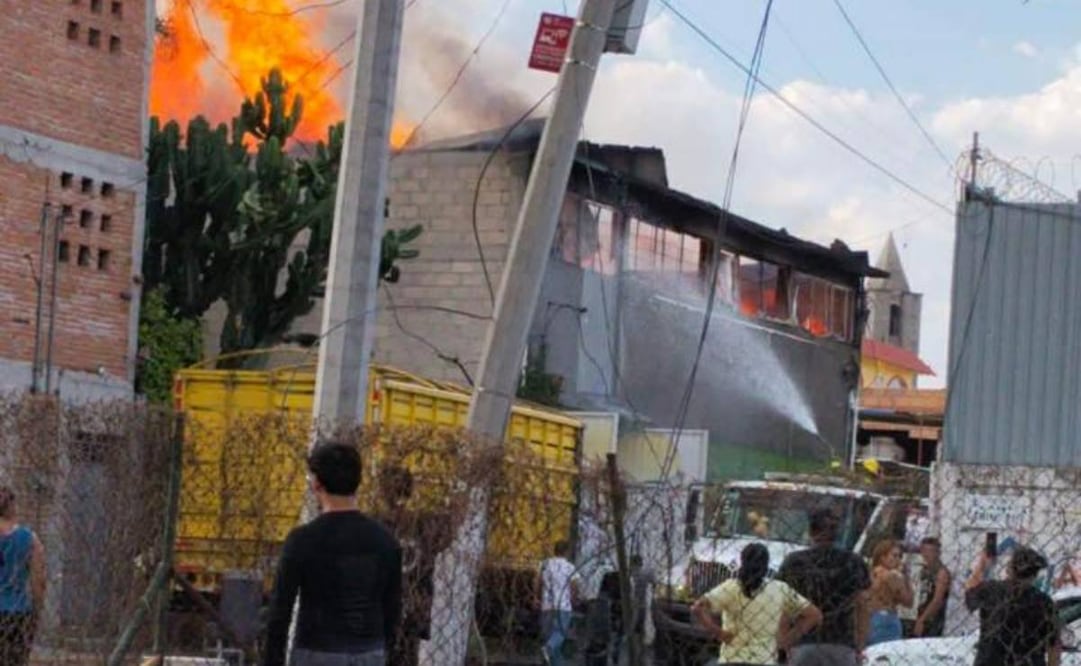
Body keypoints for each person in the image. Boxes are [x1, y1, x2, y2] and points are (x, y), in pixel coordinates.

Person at [263, 442, 402, 666]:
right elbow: (392, 608)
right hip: (369, 651)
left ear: (317, 484)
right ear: (358, 481)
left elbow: (280, 610)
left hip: (317, 650)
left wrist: (272, 659)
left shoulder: (303, 540)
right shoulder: (385, 541)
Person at [692, 543, 823, 665]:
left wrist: (719, 633)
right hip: (764, 660)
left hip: (732, 658)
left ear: (742, 562)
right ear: (766, 566)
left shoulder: (731, 587)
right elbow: (815, 615)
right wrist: (786, 640)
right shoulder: (780, 588)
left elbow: (697, 608)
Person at [374, 465, 453, 666]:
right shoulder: (423, 523)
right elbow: (451, 528)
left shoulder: (372, 523)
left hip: (381, 608)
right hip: (411, 606)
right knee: (405, 654)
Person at [776, 508, 871, 666]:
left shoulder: (794, 562)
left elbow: (785, 609)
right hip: (841, 643)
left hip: (803, 642)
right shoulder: (853, 562)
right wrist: (860, 647)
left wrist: (782, 644)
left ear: (811, 531)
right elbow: (862, 606)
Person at [965, 545, 1060, 666]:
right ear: (1034, 575)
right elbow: (1054, 645)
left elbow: (969, 590)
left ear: (1009, 569)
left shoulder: (991, 590)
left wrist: (982, 564)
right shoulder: (1044, 602)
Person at [0, 487, 45, 666]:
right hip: (17, 612)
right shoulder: (29, 538)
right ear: (13, 506)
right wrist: (37, 610)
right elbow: (38, 581)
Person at [537, 540, 581, 666]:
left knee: (552, 637)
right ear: (566, 551)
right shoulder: (570, 567)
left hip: (546, 606)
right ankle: (548, 648)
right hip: (563, 606)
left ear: (555, 550)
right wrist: (574, 600)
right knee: (560, 634)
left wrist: (536, 598)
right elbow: (574, 586)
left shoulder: (544, 565)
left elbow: (537, 582)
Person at [866, 540, 914, 645]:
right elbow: (908, 601)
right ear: (882, 557)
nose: (898, 560)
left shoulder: (872, 573)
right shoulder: (892, 576)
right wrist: (906, 577)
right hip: (886, 618)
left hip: (870, 617)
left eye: (900, 557)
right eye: (894, 556)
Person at [914, 537, 951, 638]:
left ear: (937, 553)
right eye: (924, 551)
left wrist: (922, 619)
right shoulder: (925, 570)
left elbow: (937, 600)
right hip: (920, 612)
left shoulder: (941, 572)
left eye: (930, 551)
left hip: (933, 619)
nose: (926, 554)